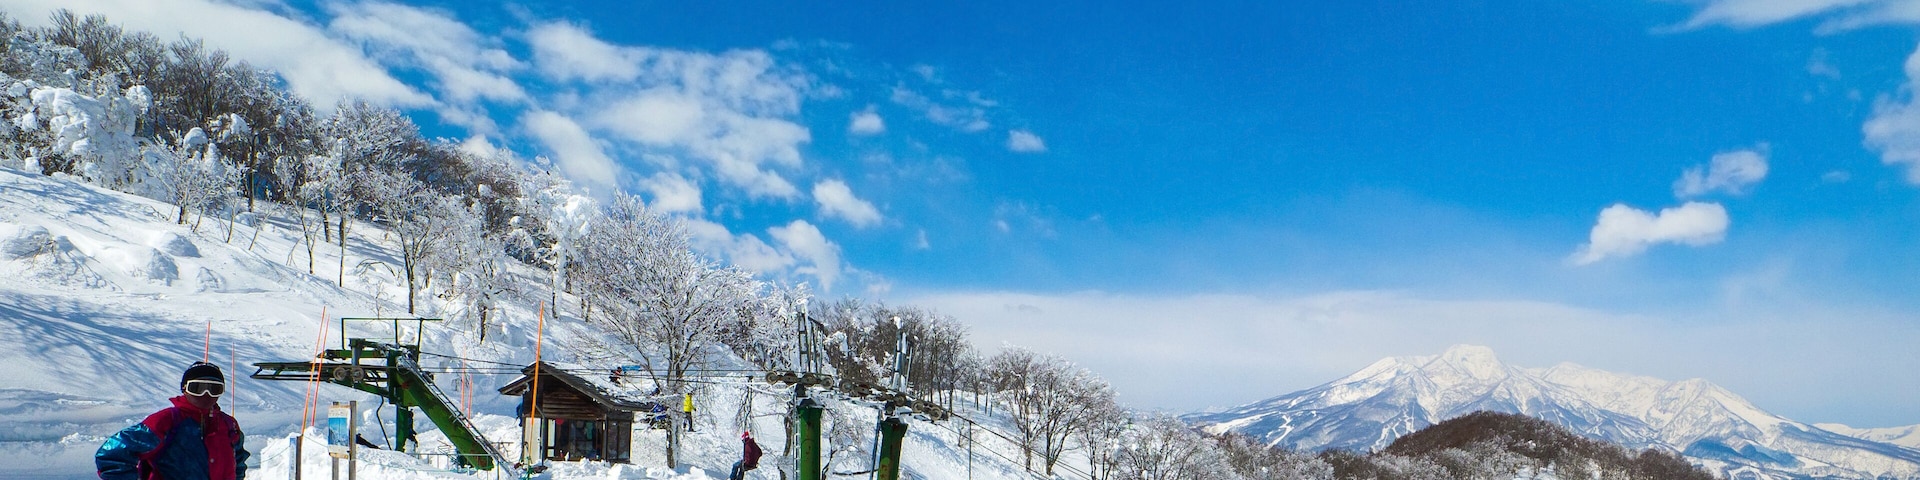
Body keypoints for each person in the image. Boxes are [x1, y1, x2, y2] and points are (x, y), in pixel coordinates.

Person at [96, 362, 250, 480]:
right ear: (184, 388)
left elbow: (238, 461)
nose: (206, 394)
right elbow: (112, 454)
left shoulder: (228, 424)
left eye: (214, 389)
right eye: (197, 388)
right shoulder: (167, 420)